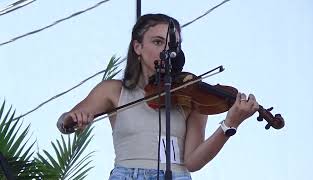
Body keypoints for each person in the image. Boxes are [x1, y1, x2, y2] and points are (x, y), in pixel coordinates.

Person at [57, 13, 259, 180]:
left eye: (173, 45)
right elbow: (66, 120)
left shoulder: (192, 93)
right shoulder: (113, 90)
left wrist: (230, 124)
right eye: (158, 42)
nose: (167, 51)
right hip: (128, 175)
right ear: (138, 47)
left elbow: (193, 161)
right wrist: (71, 119)